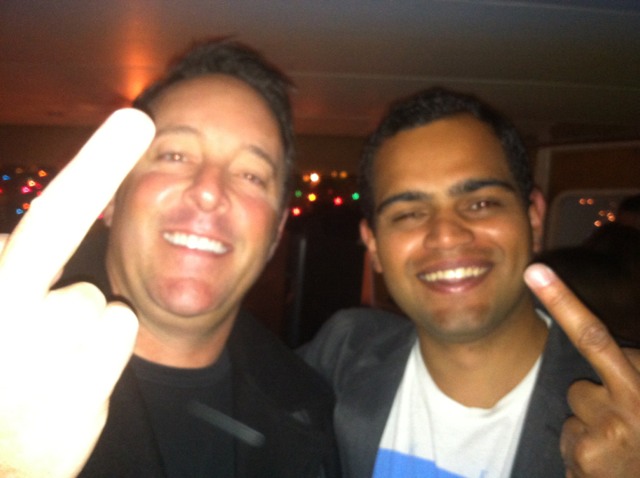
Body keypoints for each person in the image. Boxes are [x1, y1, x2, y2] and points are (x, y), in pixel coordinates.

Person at [0, 39, 338, 477]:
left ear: (276, 233)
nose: (209, 191)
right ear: (112, 199)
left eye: (251, 175)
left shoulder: (312, 405)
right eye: (175, 155)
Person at [301, 87, 640, 477]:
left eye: (481, 203)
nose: (446, 235)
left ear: (533, 218)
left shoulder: (624, 408)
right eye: (409, 213)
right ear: (373, 244)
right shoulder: (342, 352)